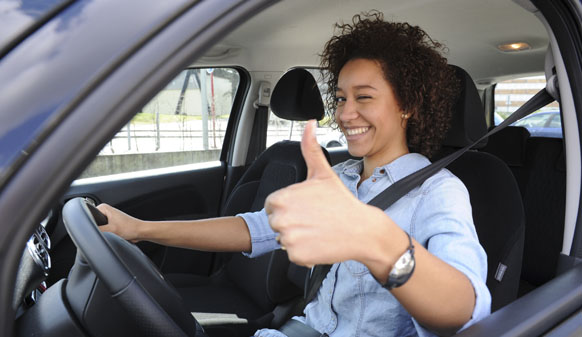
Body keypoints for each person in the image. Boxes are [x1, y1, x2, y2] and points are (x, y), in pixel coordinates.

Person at [98, 11, 491, 337]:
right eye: (340, 98)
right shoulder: (340, 178)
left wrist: (378, 241)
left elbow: (465, 310)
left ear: (407, 105)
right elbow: (253, 230)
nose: (344, 113)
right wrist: (140, 229)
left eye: (364, 97)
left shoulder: (438, 192)